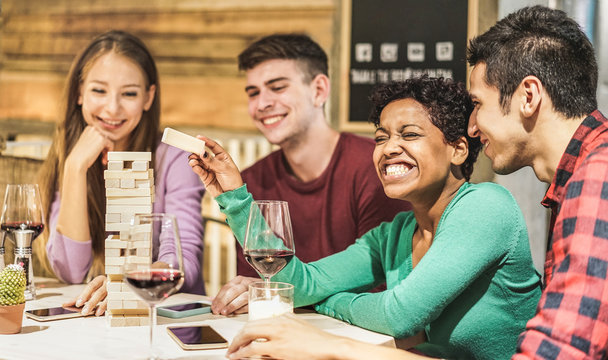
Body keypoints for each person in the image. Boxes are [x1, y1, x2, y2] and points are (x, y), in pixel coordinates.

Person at [190, 76, 542, 359]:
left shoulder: (485, 205)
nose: (389, 148)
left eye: (410, 134)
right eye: (381, 137)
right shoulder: (394, 234)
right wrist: (233, 196)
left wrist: (318, 300)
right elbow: (302, 282)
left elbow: (398, 315)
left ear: (458, 148)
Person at [222, 33, 410, 308]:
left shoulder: (375, 168)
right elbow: (256, 284)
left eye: (277, 87)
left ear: (319, 90)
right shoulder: (250, 181)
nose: (262, 104)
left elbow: (383, 291)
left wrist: (284, 294)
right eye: (253, 93)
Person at [466, 6, 608, 359]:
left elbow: (559, 351)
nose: (471, 127)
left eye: (477, 104)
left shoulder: (596, 176)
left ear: (528, 96)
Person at [35, 30, 206, 316]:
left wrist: (134, 281)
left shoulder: (175, 159)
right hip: (95, 322)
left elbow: (183, 256)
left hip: (167, 323)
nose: (112, 108)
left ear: (148, 97)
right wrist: (75, 169)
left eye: (129, 93)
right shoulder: (71, 156)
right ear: (79, 92)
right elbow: (71, 270)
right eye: (99, 90)